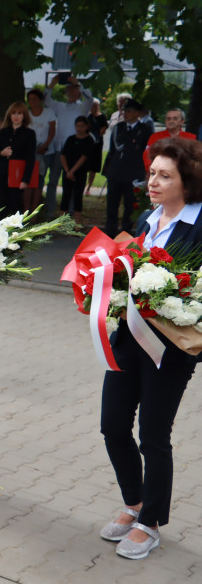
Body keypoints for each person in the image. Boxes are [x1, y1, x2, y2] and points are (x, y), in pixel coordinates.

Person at [98, 137, 202, 560]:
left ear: (187, 182)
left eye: (164, 175)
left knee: (154, 436)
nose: (152, 182)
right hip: (129, 336)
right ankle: (135, 502)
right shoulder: (147, 217)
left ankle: (151, 522)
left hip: (171, 348)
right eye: (151, 173)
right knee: (113, 425)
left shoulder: (200, 224)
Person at [45, 75, 93, 217]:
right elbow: (46, 100)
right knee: (53, 181)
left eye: (74, 91)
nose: (71, 93)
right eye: (69, 91)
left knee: (73, 184)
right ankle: (50, 212)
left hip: (76, 152)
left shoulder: (82, 107)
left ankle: (71, 213)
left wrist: (78, 83)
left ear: (78, 92)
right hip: (60, 150)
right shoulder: (60, 106)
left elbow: (90, 98)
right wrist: (52, 84)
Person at [105, 98, 151, 235]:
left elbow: (146, 152)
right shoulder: (118, 128)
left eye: (129, 111)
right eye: (124, 110)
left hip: (133, 173)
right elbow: (113, 150)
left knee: (130, 206)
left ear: (137, 113)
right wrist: (107, 170)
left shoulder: (145, 130)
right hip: (116, 171)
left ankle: (125, 232)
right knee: (112, 204)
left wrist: (145, 173)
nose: (125, 113)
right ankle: (110, 232)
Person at [0, 101, 37, 216]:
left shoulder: (29, 133)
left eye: (19, 113)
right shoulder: (3, 132)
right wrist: (2, 153)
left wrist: (25, 179)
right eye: (13, 113)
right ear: (9, 115)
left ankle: (14, 231)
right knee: (1, 205)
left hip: (18, 175)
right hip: (2, 174)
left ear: (24, 116)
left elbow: (30, 157)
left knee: (15, 205)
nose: (16, 116)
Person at [59, 116, 95, 224]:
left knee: (77, 197)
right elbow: (63, 155)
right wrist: (67, 170)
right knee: (65, 196)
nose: (79, 128)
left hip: (80, 172)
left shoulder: (89, 140)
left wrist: (72, 171)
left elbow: (84, 157)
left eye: (82, 126)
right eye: (77, 126)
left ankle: (77, 223)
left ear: (86, 127)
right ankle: (62, 223)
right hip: (67, 171)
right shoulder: (70, 139)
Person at [26, 88, 57, 214]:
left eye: (34, 98)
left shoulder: (48, 112)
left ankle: (36, 210)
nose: (32, 101)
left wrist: (45, 145)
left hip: (45, 152)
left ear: (40, 100)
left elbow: (52, 130)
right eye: (30, 99)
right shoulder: (27, 113)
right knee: (29, 181)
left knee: (40, 181)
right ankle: (27, 210)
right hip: (30, 152)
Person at [85, 99, 109, 195]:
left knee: (93, 167)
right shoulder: (87, 117)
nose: (94, 108)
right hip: (87, 144)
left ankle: (89, 187)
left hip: (97, 144)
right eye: (92, 106)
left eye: (96, 106)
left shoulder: (102, 117)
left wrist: (95, 135)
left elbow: (103, 131)